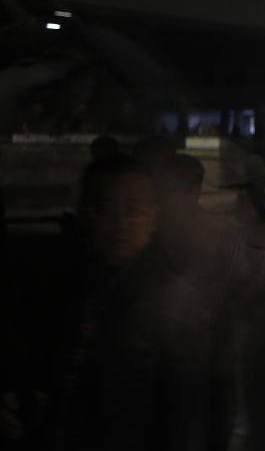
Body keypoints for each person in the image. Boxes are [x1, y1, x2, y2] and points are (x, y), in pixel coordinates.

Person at [48, 154, 218, 450]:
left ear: (155, 216)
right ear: (84, 213)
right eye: (104, 210)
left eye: (135, 211)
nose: (120, 224)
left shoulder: (174, 306)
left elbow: (186, 422)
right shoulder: (61, 286)